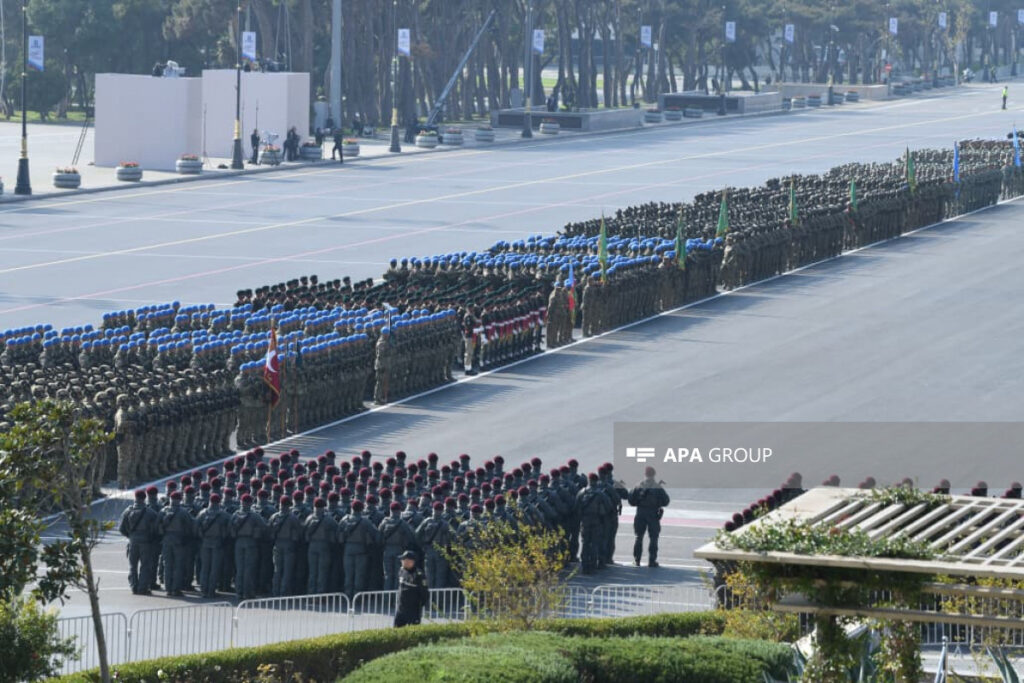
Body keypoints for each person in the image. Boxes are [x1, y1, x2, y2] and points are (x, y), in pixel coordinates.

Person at [119, 489, 159, 595]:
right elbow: (156, 529)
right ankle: (143, 588)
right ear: (144, 498)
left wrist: (131, 536)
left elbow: (121, 529)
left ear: (135, 498)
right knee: (145, 565)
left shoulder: (127, 511)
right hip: (146, 542)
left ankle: (133, 586)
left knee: (132, 565)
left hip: (133, 541)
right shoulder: (150, 513)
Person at [628, 466, 670, 568]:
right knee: (653, 538)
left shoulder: (638, 485)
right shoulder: (658, 487)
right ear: (654, 475)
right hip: (653, 514)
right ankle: (652, 560)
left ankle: (636, 560)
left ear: (645, 474)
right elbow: (666, 501)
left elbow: (631, 500)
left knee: (638, 537)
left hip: (640, 513)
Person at [393, 550, 429, 627]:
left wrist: (418, 605)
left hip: (413, 611)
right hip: (400, 609)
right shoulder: (401, 571)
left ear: (411, 561)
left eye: (404, 559)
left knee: (413, 631)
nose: (402, 561)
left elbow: (425, 593)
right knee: (396, 630)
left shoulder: (418, 575)